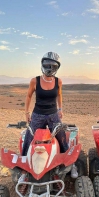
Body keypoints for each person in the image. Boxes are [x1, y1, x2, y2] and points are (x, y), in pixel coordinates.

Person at [20, 51, 78, 182]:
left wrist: (60, 109)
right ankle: (24, 170)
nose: (49, 68)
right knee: (29, 139)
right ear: (42, 64)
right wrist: (26, 112)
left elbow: (59, 95)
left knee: (62, 138)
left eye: (53, 66)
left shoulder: (58, 81)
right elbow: (28, 96)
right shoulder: (35, 81)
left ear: (57, 68)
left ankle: (71, 165)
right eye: (47, 65)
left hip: (53, 115)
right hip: (37, 114)